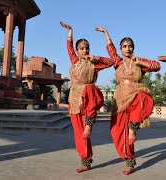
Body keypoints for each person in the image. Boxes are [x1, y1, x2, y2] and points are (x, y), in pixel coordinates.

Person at [96, 27, 161, 175]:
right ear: (121, 49)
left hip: (135, 97)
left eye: (130, 46)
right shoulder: (117, 62)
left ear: (133, 48)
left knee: (142, 97)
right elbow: (110, 49)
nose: (128, 48)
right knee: (115, 131)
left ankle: (132, 132)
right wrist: (106, 33)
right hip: (120, 101)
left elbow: (157, 66)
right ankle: (128, 157)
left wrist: (141, 62)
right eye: (124, 46)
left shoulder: (139, 62)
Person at [60, 22, 113, 173]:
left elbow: (111, 62)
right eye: (82, 48)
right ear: (77, 51)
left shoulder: (93, 64)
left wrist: (96, 58)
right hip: (74, 100)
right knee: (78, 134)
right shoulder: (75, 62)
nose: (85, 50)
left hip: (87, 97)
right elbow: (69, 48)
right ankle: (86, 161)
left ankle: (89, 126)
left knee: (85, 132)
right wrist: (70, 32)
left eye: (87, 48)